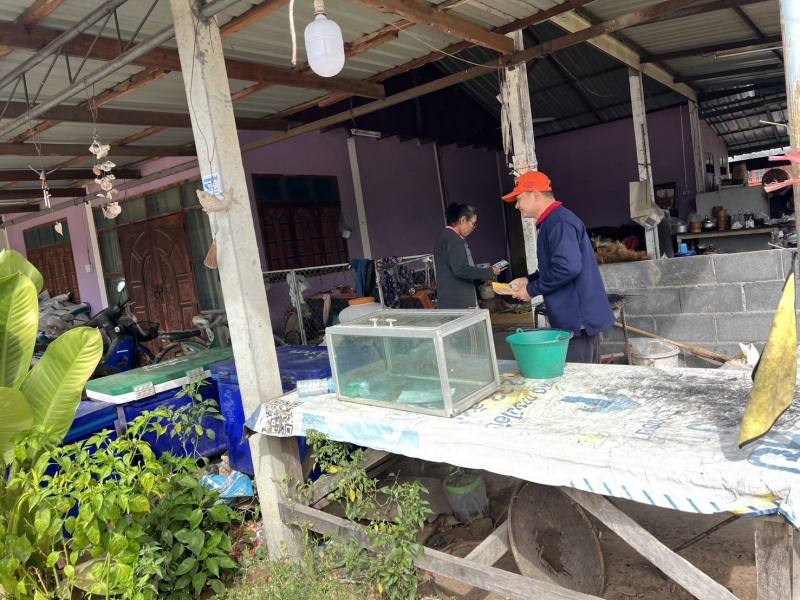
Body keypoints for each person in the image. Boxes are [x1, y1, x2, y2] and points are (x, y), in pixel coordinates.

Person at [503, 171, 615, 364]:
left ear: (535, 195)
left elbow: (567, 268)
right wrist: (528, 280)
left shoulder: (559, 223)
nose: (517, 205)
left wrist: (531, 290)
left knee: (578, 375)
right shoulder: (552, 221)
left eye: (519, 199)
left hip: (577, 319)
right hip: (574, 316)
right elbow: (557, 267)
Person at [434, 203, 501, 309]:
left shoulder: (445, 237)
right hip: (458, 301)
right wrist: (489, 271)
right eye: (473, 224)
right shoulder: (455, 240)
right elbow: (461, 270)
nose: (473, 228)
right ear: (463, 220)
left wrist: (481, 278)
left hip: (448, 300)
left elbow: (455, 269)